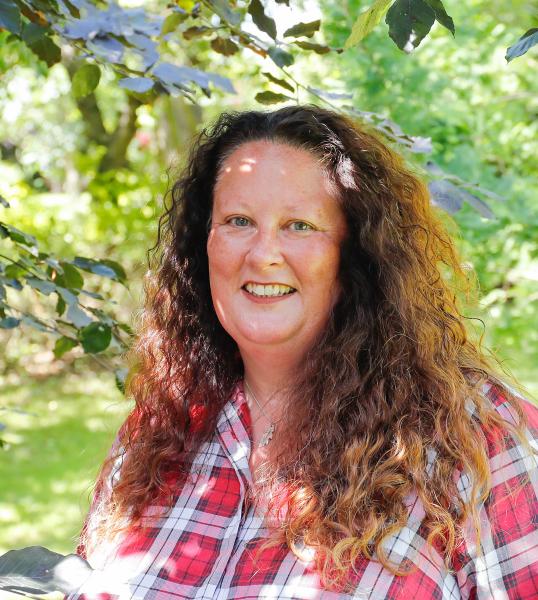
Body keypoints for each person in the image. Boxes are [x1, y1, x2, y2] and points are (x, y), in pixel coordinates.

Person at [68, 105, 538, 599]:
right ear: (202, 244)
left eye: (300, 226)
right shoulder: (161, 431)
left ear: (353, 254)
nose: (263, 254)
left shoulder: (472, 437)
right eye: (238, 220)